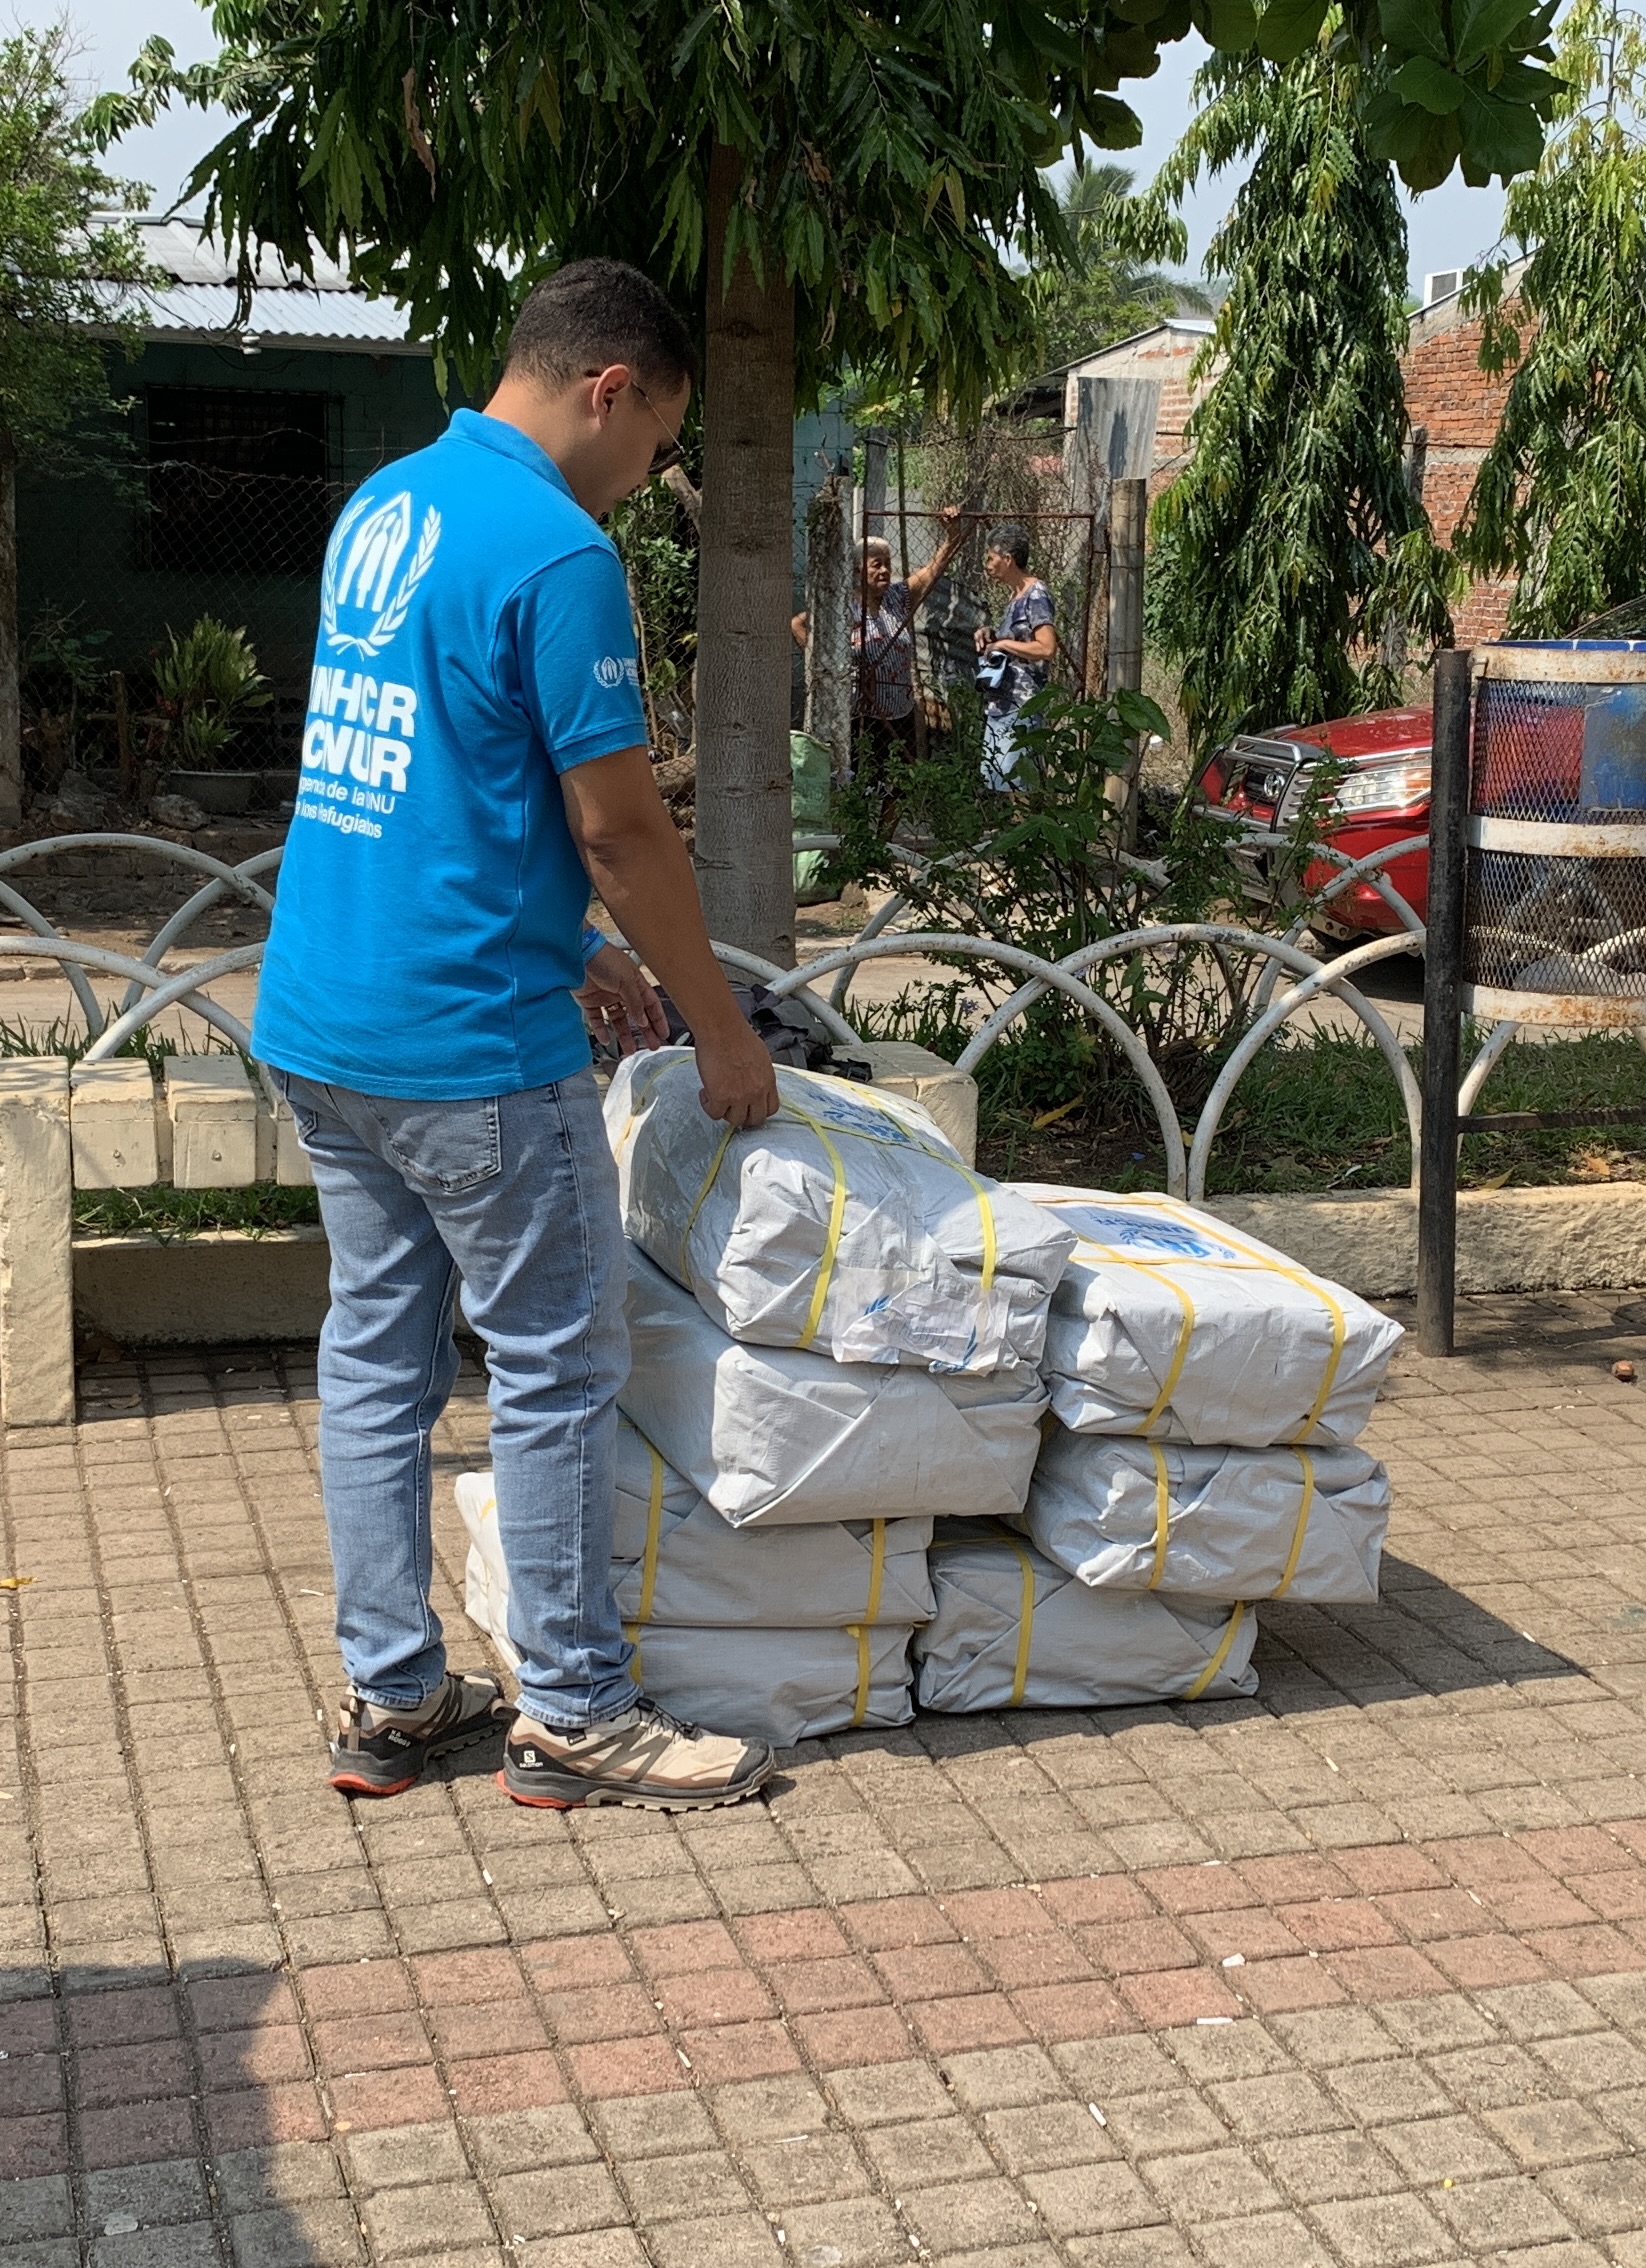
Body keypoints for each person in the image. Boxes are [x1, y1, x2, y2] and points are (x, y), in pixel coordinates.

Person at [252, 257, 786, 1814]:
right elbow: (617, 826)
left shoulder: (386, 505)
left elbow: (437, 782)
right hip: (470, 1053)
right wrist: (721, 1031)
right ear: (610, 390)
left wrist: (572, 948)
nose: (648, 477)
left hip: (326, 1018)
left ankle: (392, 1694)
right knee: (556, 1365)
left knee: (377, 1360)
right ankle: (574, 1710)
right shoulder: (558, 552)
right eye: (658, 442)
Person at [792, 504, 965, 833]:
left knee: (898, 784)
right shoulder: (844, 607)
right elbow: (798, 624)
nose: (885, 570)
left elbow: (935, 569)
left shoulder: (898, 598)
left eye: (888, 564)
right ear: (859, 570)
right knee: (857, 783)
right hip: (860, 714)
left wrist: (952, 535)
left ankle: (883, 843)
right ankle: (855, 841)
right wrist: (825, 663)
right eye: (877, 565)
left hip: (899, 712)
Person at [973, 529, 1060, 790]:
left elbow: (1046, 647)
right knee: (999, 780)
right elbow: (1019, 640)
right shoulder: (1016, 596)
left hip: (1022, 705)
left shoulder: (1036, 594)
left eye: (991, 558)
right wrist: (992, 635)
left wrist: (1002, 644)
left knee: (1017, 783)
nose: (988, 565)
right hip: (1003, 701)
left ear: (1008, 559)